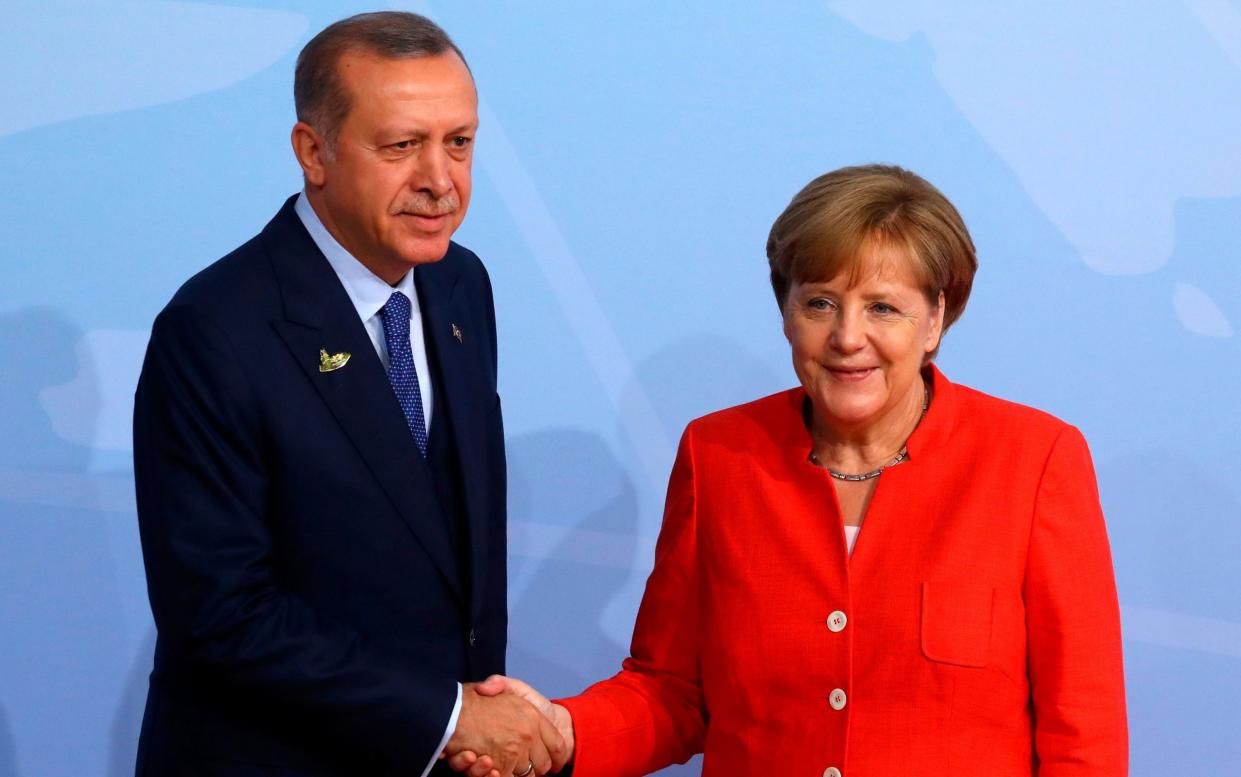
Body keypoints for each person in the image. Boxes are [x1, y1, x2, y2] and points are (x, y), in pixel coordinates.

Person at [468, 164, 1128, 776]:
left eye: (882, 307)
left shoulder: (1034, 458)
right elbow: (674, 690)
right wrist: (560, 728)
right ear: (784, 311)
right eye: (818, 303)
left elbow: (1082, 731)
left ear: (936, 317)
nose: (846, 336)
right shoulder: (718, 454)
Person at [132, 12, 566, 777]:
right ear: (313, 151)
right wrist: (454, 715)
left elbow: (449, 547)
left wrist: (476, 728)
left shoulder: (461, 284)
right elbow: (222, 614)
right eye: (401, 146)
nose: (440, 179)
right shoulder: (215, 328)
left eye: (458, 142)